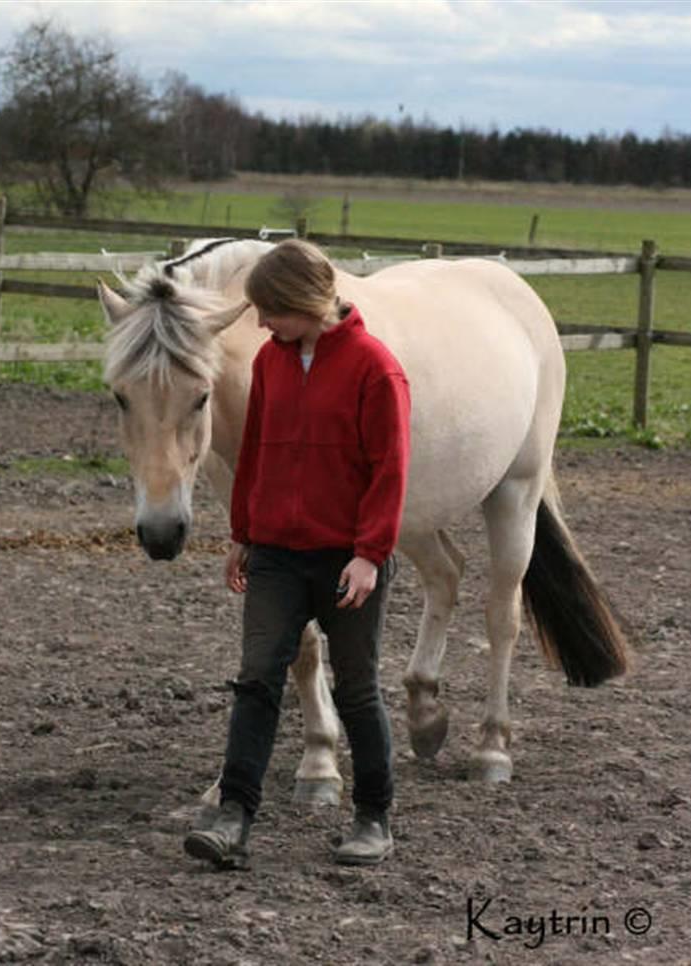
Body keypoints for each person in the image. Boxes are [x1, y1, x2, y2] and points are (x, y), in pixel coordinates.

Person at [184, 239, 411, 869]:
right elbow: (252, 453)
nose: (260, 324)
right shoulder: (270, 363)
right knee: (256, 681)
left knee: (358, 689)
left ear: (301, 303)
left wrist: (370, 554)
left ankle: (372, 819)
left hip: (346, 558)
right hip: (278, 554)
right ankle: (233, 817)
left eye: (269, 311)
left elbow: (391, 471)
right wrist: (243, 533)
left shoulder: (375, 368)